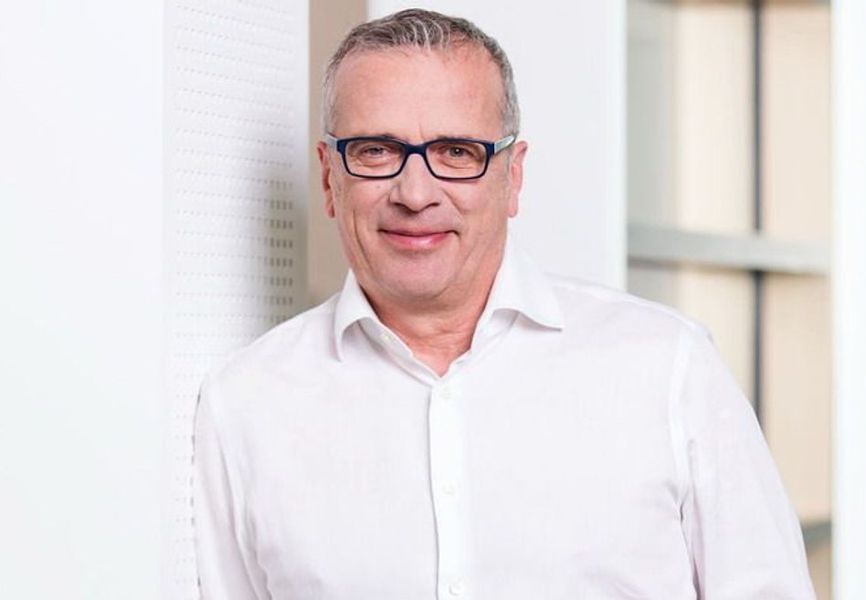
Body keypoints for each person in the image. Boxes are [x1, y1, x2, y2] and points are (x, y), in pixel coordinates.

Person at [193, 8, 815, 599]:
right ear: (330, 177)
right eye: (376, 151)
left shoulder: (669, 368)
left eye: (456, 153)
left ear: (512, 176)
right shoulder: (244, 404)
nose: (415, 193)